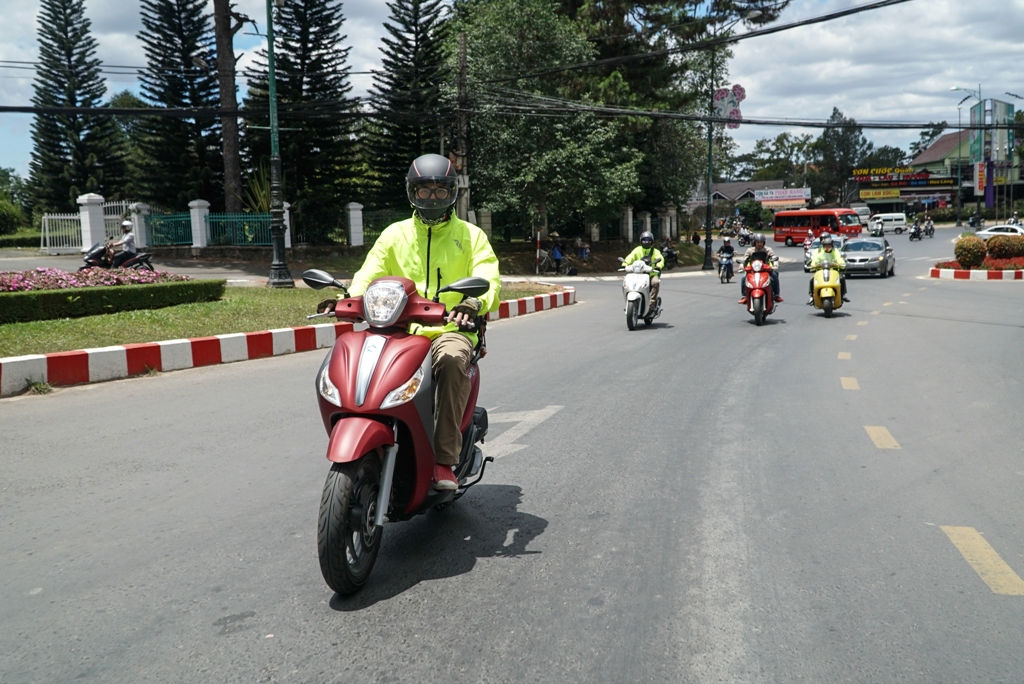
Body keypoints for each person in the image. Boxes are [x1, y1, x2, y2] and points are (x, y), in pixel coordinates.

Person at [318, 153, 501, 491]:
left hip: (449, 329)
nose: (432, 197)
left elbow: (488, 275)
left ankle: (444, 460)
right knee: (358, 354)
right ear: (411, 193)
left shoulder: (471, 236)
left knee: (449, 359)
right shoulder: (394, 235)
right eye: (424, 191)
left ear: (451, 194)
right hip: (398, 329)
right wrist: (349, 299)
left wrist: (473, 303)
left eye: (440, 191)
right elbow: (368, 272)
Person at [622, 231, 664, 309]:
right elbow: (630, 257)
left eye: (648, 240)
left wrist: (658, 266)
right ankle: (628, 301)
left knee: (655, 282)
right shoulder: (637, 250)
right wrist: (625, 264)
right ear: (641, 241)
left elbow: (660, 259)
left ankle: (652, 302)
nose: (646, 242)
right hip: (637, 274)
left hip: (651, 274)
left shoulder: (655, 251)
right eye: (644, 240)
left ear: (652, 241)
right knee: (627, 283)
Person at [738, 233, 782, 303]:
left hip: (765, 269)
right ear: (754, 242)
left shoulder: (768, 249)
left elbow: (774, 257)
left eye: (761, 242)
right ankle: (745, 296)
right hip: (753, 270)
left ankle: (776, 295)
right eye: (758, 242)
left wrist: (775, 263)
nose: (759, 244)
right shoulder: (750, 250)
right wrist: (741, 265)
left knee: (775, 275)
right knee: (743, 278)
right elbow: (744, 259)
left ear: (763, 242)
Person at [807, 233, 849, 305]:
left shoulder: (835, 251)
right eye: (826, 245)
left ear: (832, 245)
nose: (827, 247)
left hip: (833, 271)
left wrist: (840, 264)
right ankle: (811, 297)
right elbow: (815, 260)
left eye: (829, 245)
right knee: (812, 280)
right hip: (820, 271)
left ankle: (842, 295)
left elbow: (839, 259)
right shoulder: (819, 251)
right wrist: (814, 265)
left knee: (842, 278)